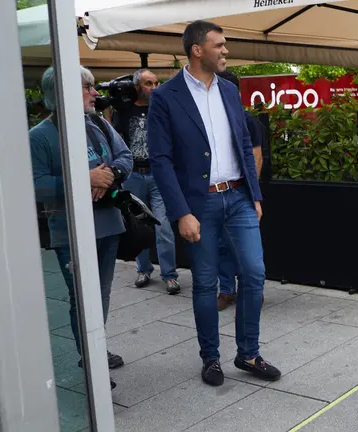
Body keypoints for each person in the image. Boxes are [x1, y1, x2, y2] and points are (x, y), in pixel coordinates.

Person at [147, 20, 281, 387]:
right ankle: (211, 359)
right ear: (197, 50)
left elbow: (242, 142)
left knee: (254, 274)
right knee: (206, 284)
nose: (225, 51)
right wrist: (181, 213)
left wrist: (254, 194)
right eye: (219, 45)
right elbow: (160, 159)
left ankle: (248, 353)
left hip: (238, 197)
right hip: (198, 204)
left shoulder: (228, 91)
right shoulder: (166, 96)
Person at [30, 65, 133, 390]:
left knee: (99, 296)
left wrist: (110, 176)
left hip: (107, 224)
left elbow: (125, 156)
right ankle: (89, 362)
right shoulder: (39, 137)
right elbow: (34, 184)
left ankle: (93, 347)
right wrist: (83, 180)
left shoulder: (97, 123)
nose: (94, 93)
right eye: (86, 87)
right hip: (69, 233)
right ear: (60, 93)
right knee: (80, 298)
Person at [113, 69, 181, 294]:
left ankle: (169, 274)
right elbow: (116, 140)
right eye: (148, 83)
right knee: (138, 224)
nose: (154, 87)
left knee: (163, 225)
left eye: (156, 82)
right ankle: (143, 269)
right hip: (133, 175)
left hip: (158, 174)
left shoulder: (162, 109)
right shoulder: (124, 111)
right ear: (137, 87)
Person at [214, 69, 265, 311]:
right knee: (222, 245)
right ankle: (226, 290)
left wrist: (252, 194)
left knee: (245, 249)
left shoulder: (247, 120)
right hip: (215, 193)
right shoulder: (210, 120)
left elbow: (256, 158)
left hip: (240, 193)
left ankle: (250, 290)